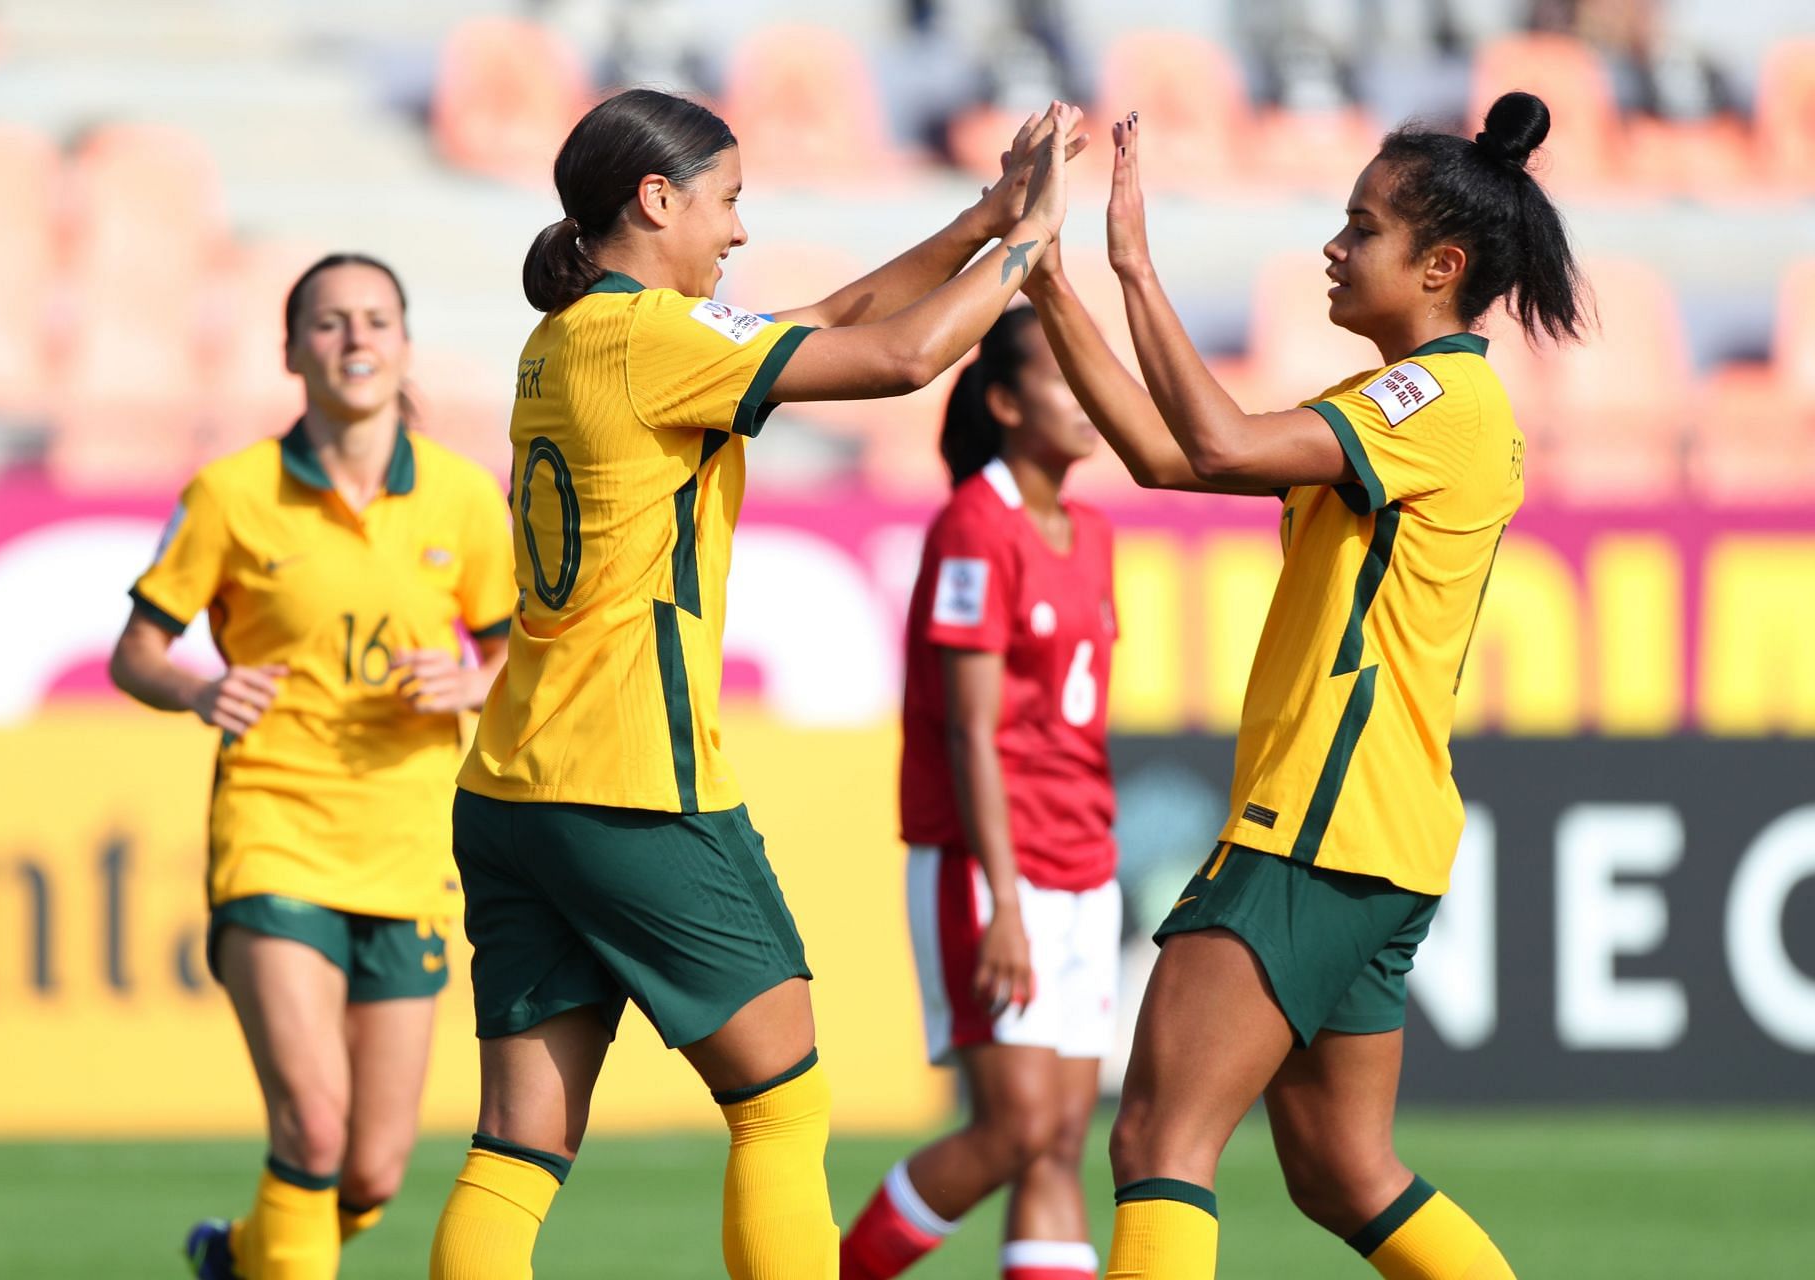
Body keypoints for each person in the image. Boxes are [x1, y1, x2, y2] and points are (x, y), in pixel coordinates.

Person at [425, 88, 1079, 1280]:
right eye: (727, 201)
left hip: (513, 788)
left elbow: (831, 314)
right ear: (656, 197)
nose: (737, 231)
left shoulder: (571, 336)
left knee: (517, 1149)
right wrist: (1038, 242)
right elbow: (904, 354)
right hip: (635, 781)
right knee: (780, 1101)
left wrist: (986, 217)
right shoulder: (656, 340)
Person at [1022, 91, 1586, 1279]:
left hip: (1321, 825)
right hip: (1374, 829)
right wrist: (1047, 283)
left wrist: (1132, 265)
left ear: (1440, 266)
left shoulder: (1440, 400)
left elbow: (1219, 441)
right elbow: (1173, 457)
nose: (1334, 247)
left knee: (1158, 1133)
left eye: (1360, 226)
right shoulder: (1399, 406)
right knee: (1342, 1168)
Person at [107, 253, 518, 1280]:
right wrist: (198, 688)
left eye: (376, 319)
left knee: (372, 1172)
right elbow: (136, 651)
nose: (355, 339)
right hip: (274, 831)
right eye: (329, 323)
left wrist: (476, 682)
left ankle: (242, 1258)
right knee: (316, 1127)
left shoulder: (465, 501)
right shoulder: (231, 494)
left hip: (409, 847)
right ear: (290, 351)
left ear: (406, 344)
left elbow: (527, 655)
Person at [840, 303, 1120, 1280]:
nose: (1087, 394)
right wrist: (1003, 898)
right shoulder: (973, 524)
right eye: (1059, 374)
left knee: (1062, 1137)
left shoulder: (1090, 531)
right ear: (1004, 400)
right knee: (1015, 1125)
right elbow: (971, 730)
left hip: (1085, 861)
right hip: (993, 864)